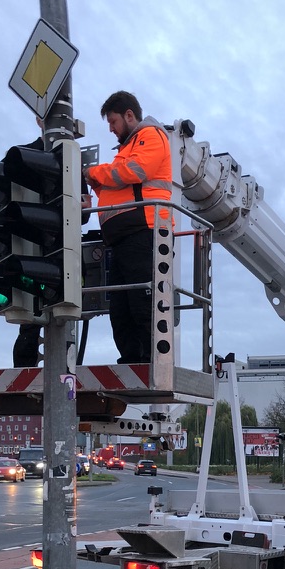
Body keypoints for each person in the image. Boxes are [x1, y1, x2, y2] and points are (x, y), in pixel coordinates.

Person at [83, 91, 172, 364]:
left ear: (129, 115)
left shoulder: (150, 136)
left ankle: (150, 358)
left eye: (113, 121)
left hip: (143, 229)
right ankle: (133, 357)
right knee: (120, 306)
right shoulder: (129, 146)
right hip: (124, 236)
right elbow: (122, 183)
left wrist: (92, 174)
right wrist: (97, 189)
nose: (111, 129)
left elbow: (133, 172)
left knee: (141, 300)